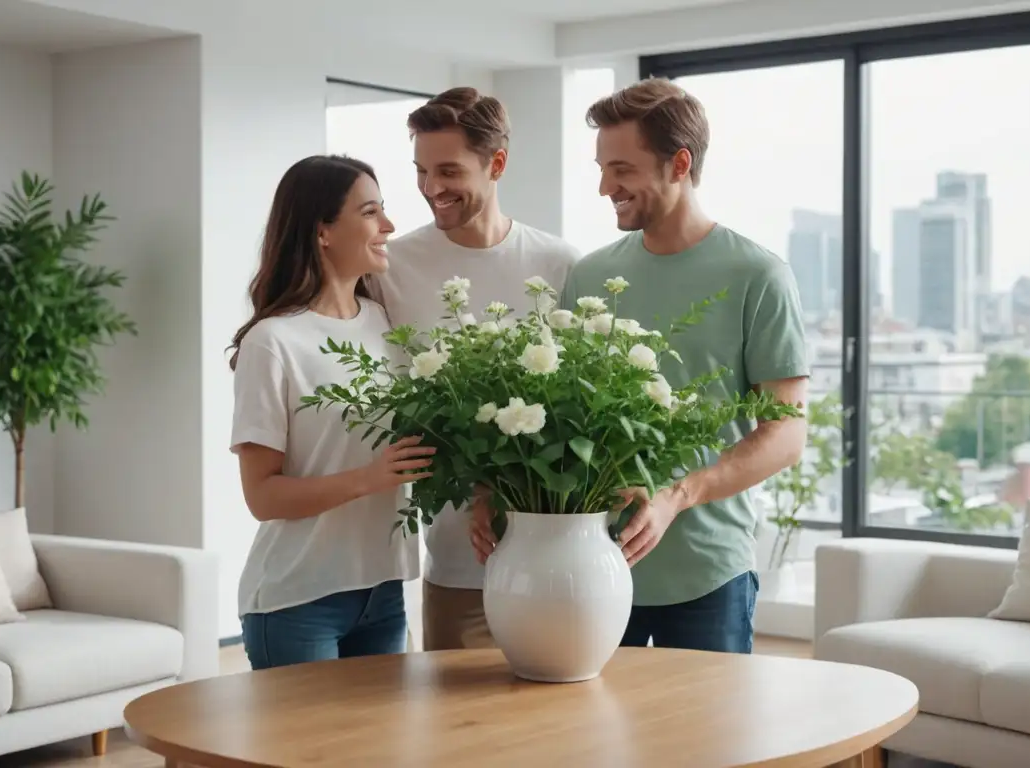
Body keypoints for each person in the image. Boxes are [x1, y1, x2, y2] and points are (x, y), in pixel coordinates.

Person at [476, 78, 811, 654]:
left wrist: (676, 496)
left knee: (708, 744)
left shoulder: (758, 276)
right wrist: (492, 491)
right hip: (591, 569)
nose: (606, 186)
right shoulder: (589, 278)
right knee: (593, 741)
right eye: (602, 168)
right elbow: (554, 415)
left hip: (709, 574)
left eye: (622, 169)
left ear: (678, 164)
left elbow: (786, 434)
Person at [376, 87, 580, 651]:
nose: (430, 188)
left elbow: (573, 415)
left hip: (551, 559)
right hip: (454, 565)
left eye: (448, 170)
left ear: (497, 163)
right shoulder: (390, 268)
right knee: (451, 730)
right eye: (420, 170)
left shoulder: (559, 265)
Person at [227, 155, 435, 669]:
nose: (387, 226)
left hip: (383, 593)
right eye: (370, 212)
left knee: (379, 752)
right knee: (305, 754)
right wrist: (370, 477)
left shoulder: (385, 323)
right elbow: (262, 495)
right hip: (298, 601)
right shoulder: (272, 342)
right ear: (323, 231)